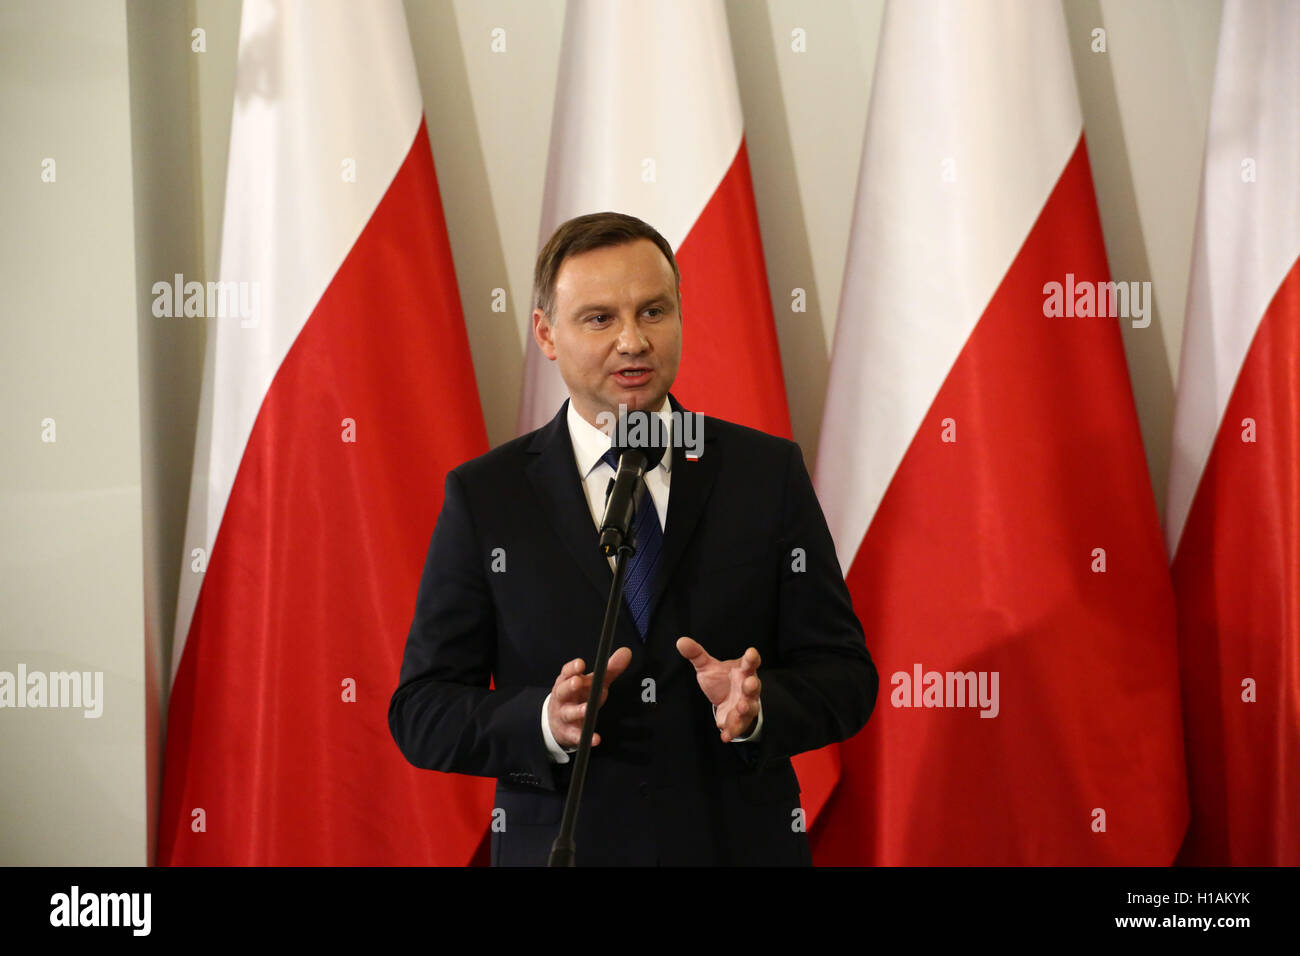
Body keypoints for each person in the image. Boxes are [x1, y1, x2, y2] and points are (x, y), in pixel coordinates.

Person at [388, 211, 877, 865]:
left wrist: (758, 710)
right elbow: (422, 709)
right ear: (546, 333)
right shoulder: (487, 497)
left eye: (653, 312)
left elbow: (846, 676)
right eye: (599, 318)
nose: (633, 341)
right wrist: (543, 721)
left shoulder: (765, 474)